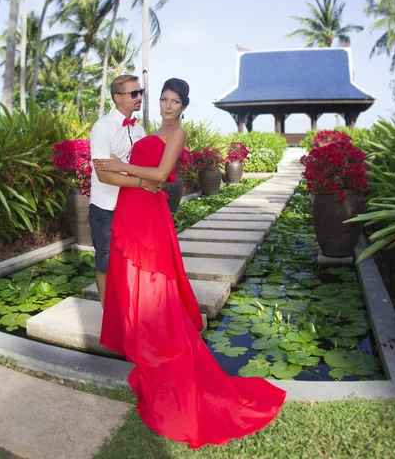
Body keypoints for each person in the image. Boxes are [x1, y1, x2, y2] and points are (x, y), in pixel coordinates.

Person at [95, 78, 286, 449]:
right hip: (132, 208)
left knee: (152, 286)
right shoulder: (153, 130)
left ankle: (159, 351)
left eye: (174, 101)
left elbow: (162, 176)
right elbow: (141, 176)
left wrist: (123, 167)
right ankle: (144, 348)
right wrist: (133, 177)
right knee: (133, 282)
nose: (167, 106)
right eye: (163, 99)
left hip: (148, 214)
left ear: (184, 105)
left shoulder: (177, 133)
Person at [89, 74, 163, 307]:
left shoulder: (139, 130)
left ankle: (128, 313)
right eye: (134, 93)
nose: (139, 97)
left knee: (131, 261)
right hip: (106, 207)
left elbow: (142, 168)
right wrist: (141, 182)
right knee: (106, 262)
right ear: (117, 97)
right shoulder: (102, 128)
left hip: (132, 207)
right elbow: (104, 174)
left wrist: (123, 166)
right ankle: (107, 314)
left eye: (140, 93)